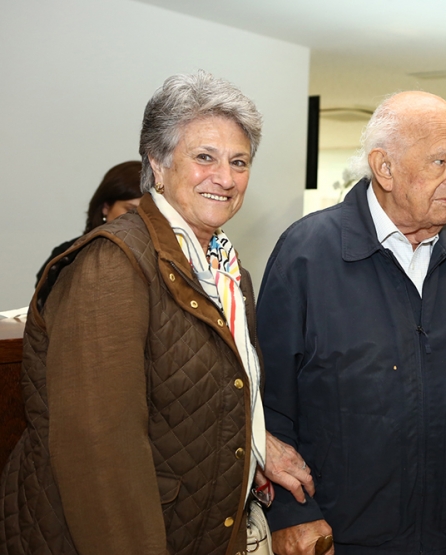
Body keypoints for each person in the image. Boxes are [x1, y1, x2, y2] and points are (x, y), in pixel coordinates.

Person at [0, 71, 311, 555]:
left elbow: (202, 393)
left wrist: (257, 440)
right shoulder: (114, 264)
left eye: (239, 161)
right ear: (157, 165)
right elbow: (100, 451)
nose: (225, 178)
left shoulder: (227, 272)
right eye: (204, 157)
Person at [257, 91, 446, 555]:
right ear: (384, 167)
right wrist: (291, 514)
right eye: (441, 161)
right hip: (339, 537)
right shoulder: (307, 254)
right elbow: (270, 403)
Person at [34, 160, 143, 285]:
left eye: (149, 212)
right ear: (106, 207)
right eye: (131, 210)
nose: (140, 218)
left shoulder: (158, 256)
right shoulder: (67, 257)